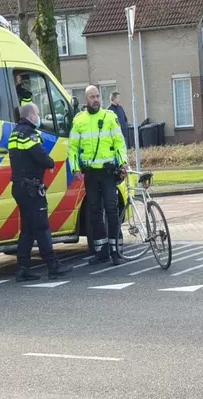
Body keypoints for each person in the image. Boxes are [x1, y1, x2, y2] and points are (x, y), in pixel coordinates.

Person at [8, 103, 73, 281]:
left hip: (19, 187)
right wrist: (51, 163)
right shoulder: (29, 134)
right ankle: (53, 266)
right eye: (37, 114)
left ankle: (22, 268)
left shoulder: (15, 133)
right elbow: (40, 155)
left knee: (28, 230)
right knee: (42, 227)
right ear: (31, 116)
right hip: (31, 188)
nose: (38, 117)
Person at [69, 85, 128, 266]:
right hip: (91, 174)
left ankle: (115, 250)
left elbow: (119, 142)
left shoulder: (110, 117)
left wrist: (123, 162)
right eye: (92, 97)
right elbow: (73, 147)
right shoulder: (79, 120)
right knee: (94, 211)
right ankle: (101, 251)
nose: (96, 99)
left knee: (111, 210)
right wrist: (75, 168)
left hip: (108, 172)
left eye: (97, 96)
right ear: (86, 99)